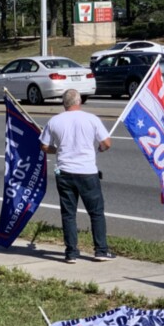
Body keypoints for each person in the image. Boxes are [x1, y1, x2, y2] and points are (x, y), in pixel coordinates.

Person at [39, 89, 114, 263]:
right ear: (79, 101)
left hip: (64, 172)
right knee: (96, 212)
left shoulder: (55, 121)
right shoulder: (91, 119)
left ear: (64, 103)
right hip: (87, 172)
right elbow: (107, 143)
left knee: (68, 214)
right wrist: (101, 148)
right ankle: (101, 250)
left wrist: (57, 150)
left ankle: (71, 252)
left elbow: (43, 146)